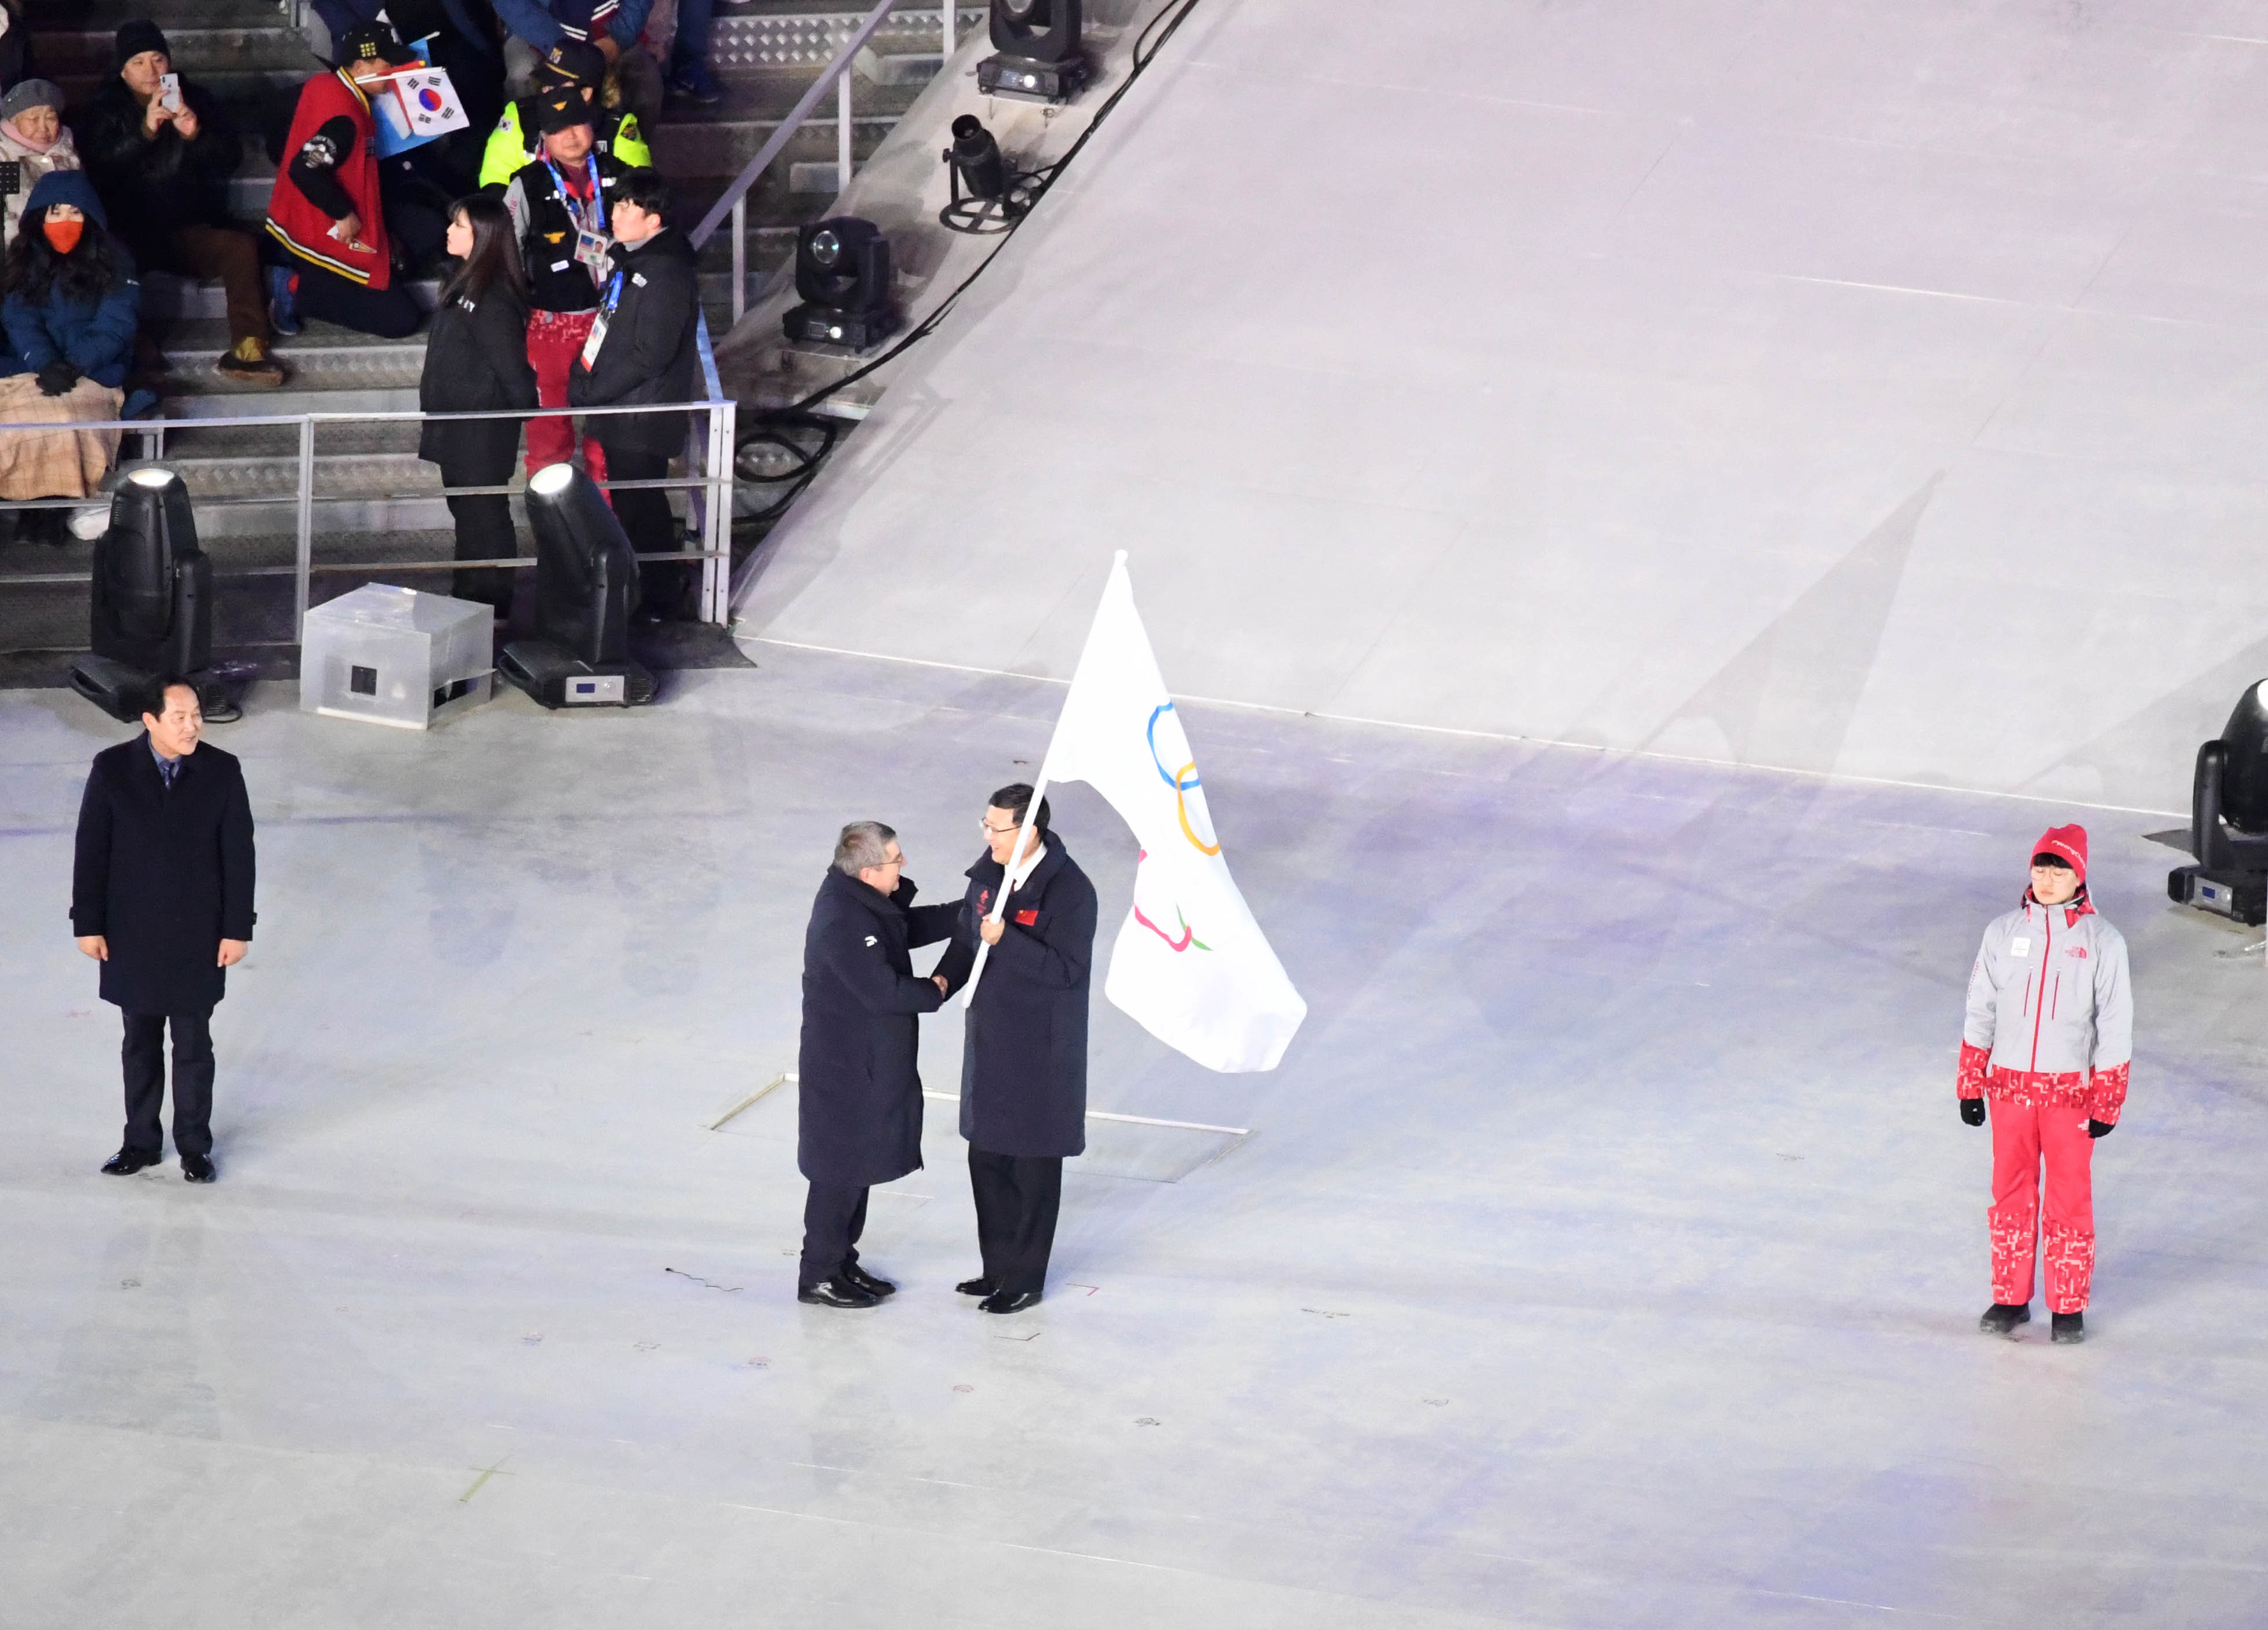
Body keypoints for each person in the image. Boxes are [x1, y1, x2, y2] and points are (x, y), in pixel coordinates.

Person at [71, 676, 257, 1185]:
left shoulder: (221, 771)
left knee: (194, 1043)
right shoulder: (113, 769)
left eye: (196, 714)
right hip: (132, 932)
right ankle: (141, 1143)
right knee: (140, 1041)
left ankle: (195, 1147)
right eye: (180, 717)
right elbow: (93, 851)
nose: (192, 725)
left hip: (199, 932)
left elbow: (239, 856)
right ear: (150, 720)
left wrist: (236, 929)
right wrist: (87, 924)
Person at [1957, 825, 2133, 1345]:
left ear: (2079, 873)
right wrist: (1972, 1082)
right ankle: (2010, 1298)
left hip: (2069, 1097)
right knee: (2009, 1193)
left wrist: (2108, 1096)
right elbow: (1980, 1008)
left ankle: (2068, 1305)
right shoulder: (2003, 933)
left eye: (2059, 868)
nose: (2048, 877)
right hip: (2010, 1091)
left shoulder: (2103, 941)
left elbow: (2115, 1023)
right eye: (2041, 866)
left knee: (2068, 1198)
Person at [932, 785, 1099, 1314]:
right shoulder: (989, 872)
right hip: (991, 1038)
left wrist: (1010, 941)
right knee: (987, 1156)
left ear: (1028, 833)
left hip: (1040, 1051)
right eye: (985, 824)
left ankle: (1025, 1279)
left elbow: (1067, 971)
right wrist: (939, 984)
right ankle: (996, 1268)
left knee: (1032, 1165)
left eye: (996, 828)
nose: (987, 836)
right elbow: (967, 935)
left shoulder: (1071, 891)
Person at [794, 822, 958, 1308]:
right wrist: (939, 988)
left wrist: (963, 915)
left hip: (862, 1062)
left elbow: (901, 929)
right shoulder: (843, 920)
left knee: (855, 1165)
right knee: (838, 1171)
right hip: (845, 1068)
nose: (903, 865)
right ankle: (818, 1275)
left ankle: (841, 1262)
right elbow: (885, 992)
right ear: (869, 874)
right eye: (895, 861)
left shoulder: (860, 902)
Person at [83, 21, 284, 387]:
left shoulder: (197, 98)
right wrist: (144, 132)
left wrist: (195, 135)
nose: (151, 70)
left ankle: (249, 350)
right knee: (107, 260)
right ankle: (136, 354)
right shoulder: (105, 108)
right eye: (139, 62)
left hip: (189, 227)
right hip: (130, 232)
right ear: (123, 70)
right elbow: (99, 167)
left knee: (240, 247)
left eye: (158, 59)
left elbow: (229, 158)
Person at [567, 166, 699, 619]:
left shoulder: (666, 272)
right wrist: (582, 378)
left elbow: (652, 354)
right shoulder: (634, 261)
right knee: (631, 503)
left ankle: (661, 597)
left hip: (640, 416)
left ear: (654, 220)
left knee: (643, 508)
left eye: (629, 206)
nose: (617, 213)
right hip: (621, 411)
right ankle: (645, 593)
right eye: (618, 203)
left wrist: (594, 391)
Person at [264, 23, 444, 341]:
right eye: (387, 65)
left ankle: (378, 268)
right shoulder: (347, 116)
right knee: (401, 320)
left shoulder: (327, 84)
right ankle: (296, 289)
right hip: (326, 230)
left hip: (308, 215)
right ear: (360, 67)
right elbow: (305, 169)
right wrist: (343, 213)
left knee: (428, 226)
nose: (395, 72)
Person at [0, 172, 139, 546]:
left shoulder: (116, 261)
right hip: (32, 369)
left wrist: (75, 364)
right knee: (19, 415)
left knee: (62, 417)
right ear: (39, 218)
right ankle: (28, 505)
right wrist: (44, 362)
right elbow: (18, 318)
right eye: (55, 212)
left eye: (75, 212)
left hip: (93, 373)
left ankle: (55, 510)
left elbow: (115, 325)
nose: (64, 222)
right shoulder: (23, 260)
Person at [419, 193, 537, 617]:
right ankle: (469, 597)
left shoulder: (491, 296)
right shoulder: (463, 283)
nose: (449, 231)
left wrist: (526, 412)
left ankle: (490, 603)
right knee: (467, 513)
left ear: (484, 236)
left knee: (483, 515)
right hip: (457, 424)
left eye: (460, 225)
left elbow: (512, 370)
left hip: (481, 429)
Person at [500, 90, 627, 481]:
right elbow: (508, 253)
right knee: (548, 435)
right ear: (543, 137)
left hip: (612, 320)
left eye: (576, 124)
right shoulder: (526, 183)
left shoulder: (622, 174)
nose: (570, 136)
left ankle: (608, 528)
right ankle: (554, 529)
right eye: (556, 130)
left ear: (592, 126)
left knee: (607, 435)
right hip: (550, 323)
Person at [476, 38, 650, 191]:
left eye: (555, 86)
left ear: (586, 93)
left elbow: (643, 190)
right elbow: (495, 178)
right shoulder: (521, 116)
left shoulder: (616, 126)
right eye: (546, 83)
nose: (545, 89)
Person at [491, 0, 662, 133]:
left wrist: (619, 38)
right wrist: (563, 51)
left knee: (646, 83)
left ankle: (629, 164)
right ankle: (528, 156)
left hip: (610, 30)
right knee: (521, 74)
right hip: (538, 30)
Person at [0, 81, 82, 257]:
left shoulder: (67, 152)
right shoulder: (6, 158)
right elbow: (7, 216)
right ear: (14, 121)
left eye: (51, 118)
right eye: (33, 119)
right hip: (17, 256)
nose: (43, 128)